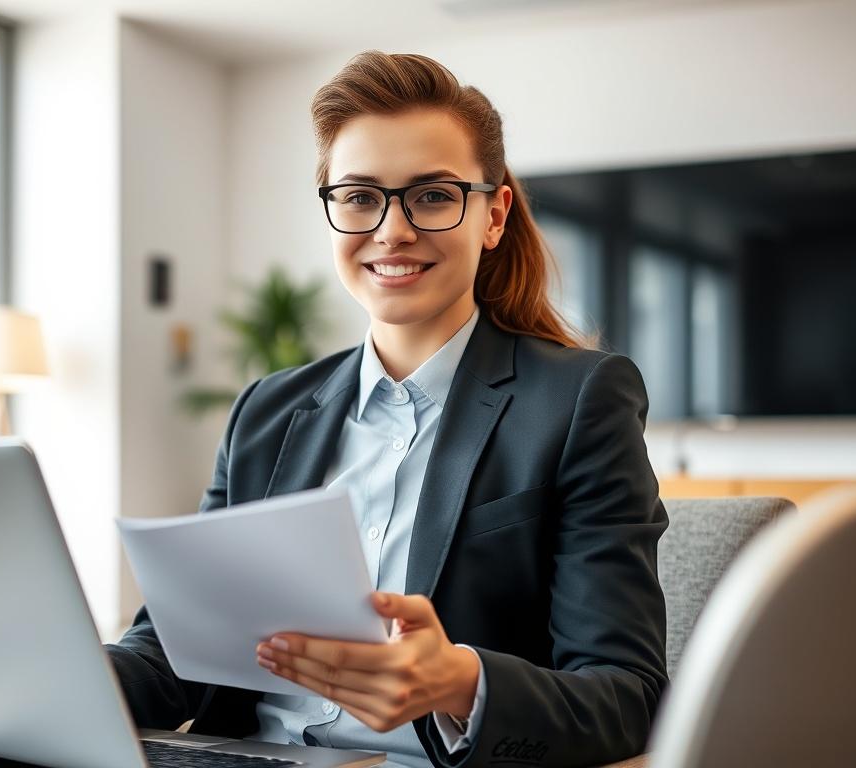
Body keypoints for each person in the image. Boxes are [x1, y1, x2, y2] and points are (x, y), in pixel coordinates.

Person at [105, 51, 668, 768]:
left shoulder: (580, 400)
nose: (392, 230)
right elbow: (174, 653)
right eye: (360, 196)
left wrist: (461, 682)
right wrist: (55, 673)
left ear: (492, 216)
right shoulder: (267, 412)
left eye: (432, 196)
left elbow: (628, 697)